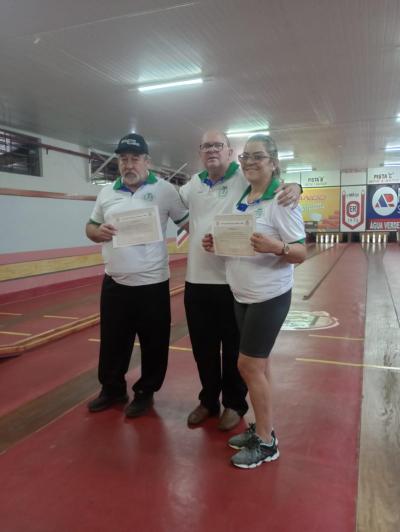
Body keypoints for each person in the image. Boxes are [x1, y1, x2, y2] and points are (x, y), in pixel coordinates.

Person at [179, 130, 302, 431]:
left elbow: (296, 242)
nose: (211, 151)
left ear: (229, 151)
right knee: (216, 354)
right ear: (199, 152)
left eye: (217, 145)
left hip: (249, 290)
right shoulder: (200, 186)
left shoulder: (253, 184)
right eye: (206, 146)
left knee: (243, 359)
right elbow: (171, 207)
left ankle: (245, 415)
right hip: (217, 286)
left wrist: (297, 187)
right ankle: (220, 407)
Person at [86, 133, 188, 417]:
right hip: (115, 282)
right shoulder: (107, 193)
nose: (128, 164)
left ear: (147, 161)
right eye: (123, 159)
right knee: (112, 341)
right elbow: (90, 227)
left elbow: (189, 222)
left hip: (152, 283)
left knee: (154, 343)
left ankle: (145, 392)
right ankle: (112, 389)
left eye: (134, 159)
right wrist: (98, 232)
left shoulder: (166, 191)